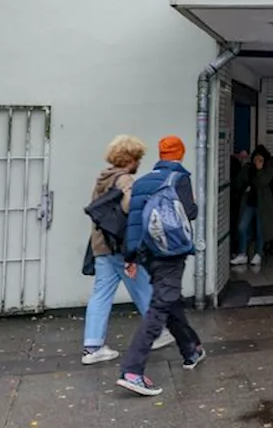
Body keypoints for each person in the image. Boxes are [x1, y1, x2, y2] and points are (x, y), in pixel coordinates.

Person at [115, 136, 206, 397]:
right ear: (180, 154)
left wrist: (130, 257)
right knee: (159, 308)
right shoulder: (180, 178)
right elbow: (190, 212)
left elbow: (134, 223)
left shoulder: (143, 182)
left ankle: (191, 349)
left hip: (149, 254)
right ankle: (132, 370)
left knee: (170, 300)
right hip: (172, 253)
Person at [81, 136, 174, 365]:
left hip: (101, 245)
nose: (140, 163)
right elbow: (131, 210)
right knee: (143, 286)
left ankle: (92, 346)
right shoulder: (124, 181)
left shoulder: (103, 179)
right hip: (120, 247)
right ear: (130, 159)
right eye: (138, 158)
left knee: (101, 295)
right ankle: (158, 332)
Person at [230, 145, 273, 266]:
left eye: (260, 159)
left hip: (263, 204)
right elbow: (238, 182)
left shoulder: (269, 168)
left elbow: (262, 181)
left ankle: (258, 253)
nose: (257, 161)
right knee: (241, 227)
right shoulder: (248, 168)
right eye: (255, 158)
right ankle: (242, 253)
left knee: (260, 230)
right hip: (250, 202)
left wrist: (259, 170)